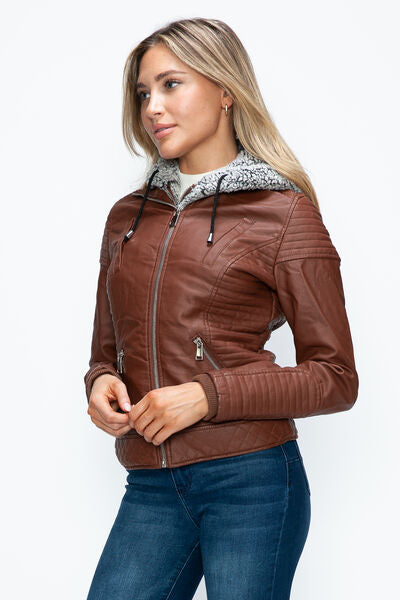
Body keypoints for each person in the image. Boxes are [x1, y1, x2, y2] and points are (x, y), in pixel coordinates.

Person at [84, 17, 359, 600]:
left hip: (251, 482)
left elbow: (336, 378)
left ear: (225, 89)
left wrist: (208, 395)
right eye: (143, 93)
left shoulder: (283, 213)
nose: (152, 108)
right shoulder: (128, 217)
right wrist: (101, 381)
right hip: (151, 484)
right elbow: (106, 351)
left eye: (170, 84)